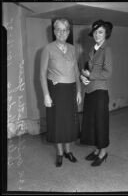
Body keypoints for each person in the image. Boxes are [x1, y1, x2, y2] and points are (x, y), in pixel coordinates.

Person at [40, 18, 82, 167]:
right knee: (58, 123)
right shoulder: (48, 49)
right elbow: (42, 73)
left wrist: (78, 91)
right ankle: (59, 153)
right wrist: (46, 94)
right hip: (56, 91)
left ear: (68, 32)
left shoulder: (72, 48)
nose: (61, 32)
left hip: (70, 90)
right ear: (54, 31)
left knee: (69, 122)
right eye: (58, 29)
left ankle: (68, 151)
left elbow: (76, 71)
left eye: (64, 30)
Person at [80, 19, 113, 166]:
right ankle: (96, 149)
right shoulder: (92, 50)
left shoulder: (107, 50)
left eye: (100, 32)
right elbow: (87, 69)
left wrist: (89, 75)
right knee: (91, 122)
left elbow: (107, 73)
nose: (97, 35)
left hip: (100, 92)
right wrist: (83, 77)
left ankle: (103, 152)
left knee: (101, 123)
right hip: (90, 91)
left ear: (106, 34)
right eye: (95, 32)